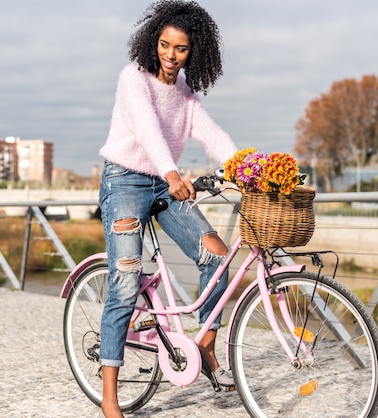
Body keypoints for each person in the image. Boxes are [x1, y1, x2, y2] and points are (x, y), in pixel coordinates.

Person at [97, 1, 237, 416]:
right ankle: (109, 396)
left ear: (195, 51)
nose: (170, 55)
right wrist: (173, 174)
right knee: (125, 280)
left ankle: (206, 343)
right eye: (164, 44)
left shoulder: (186, 94)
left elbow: (213, 135)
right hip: (124, 180)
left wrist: (251, 167)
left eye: (180, 48)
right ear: (153, 40)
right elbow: (147, 127)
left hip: (163, 184)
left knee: (215, 251)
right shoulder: (132, 78)